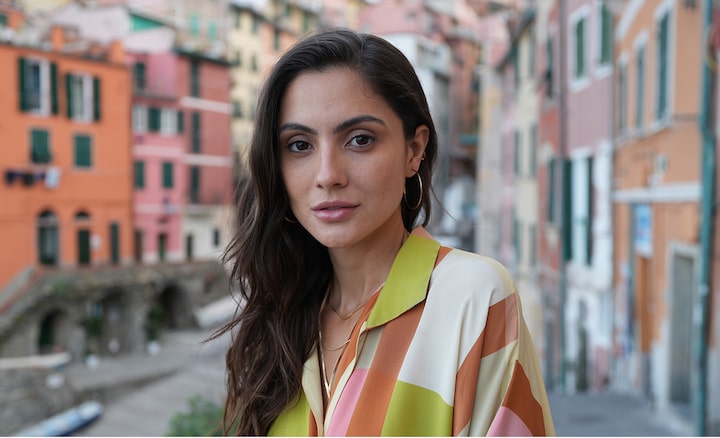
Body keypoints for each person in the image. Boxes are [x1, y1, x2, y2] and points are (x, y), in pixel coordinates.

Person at [216, 28, 555, 436]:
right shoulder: (285, 321)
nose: (327, 176)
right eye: (300, 145)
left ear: (414, 150)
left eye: (359, 139)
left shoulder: (473, 298)